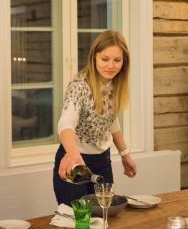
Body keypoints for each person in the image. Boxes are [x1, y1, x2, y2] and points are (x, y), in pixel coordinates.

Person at [53, 30, 137, 205]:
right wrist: (73, 154)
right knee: (78, 224)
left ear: (124, 62)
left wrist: (125, 154)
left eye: (117, 60)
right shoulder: (79, 86)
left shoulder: (114, 84)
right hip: (76, 162)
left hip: (103, 161)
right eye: (105, 59)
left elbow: (110, 120)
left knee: (106, 217)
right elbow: (66, 122)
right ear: (94, 57)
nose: (111, 66)